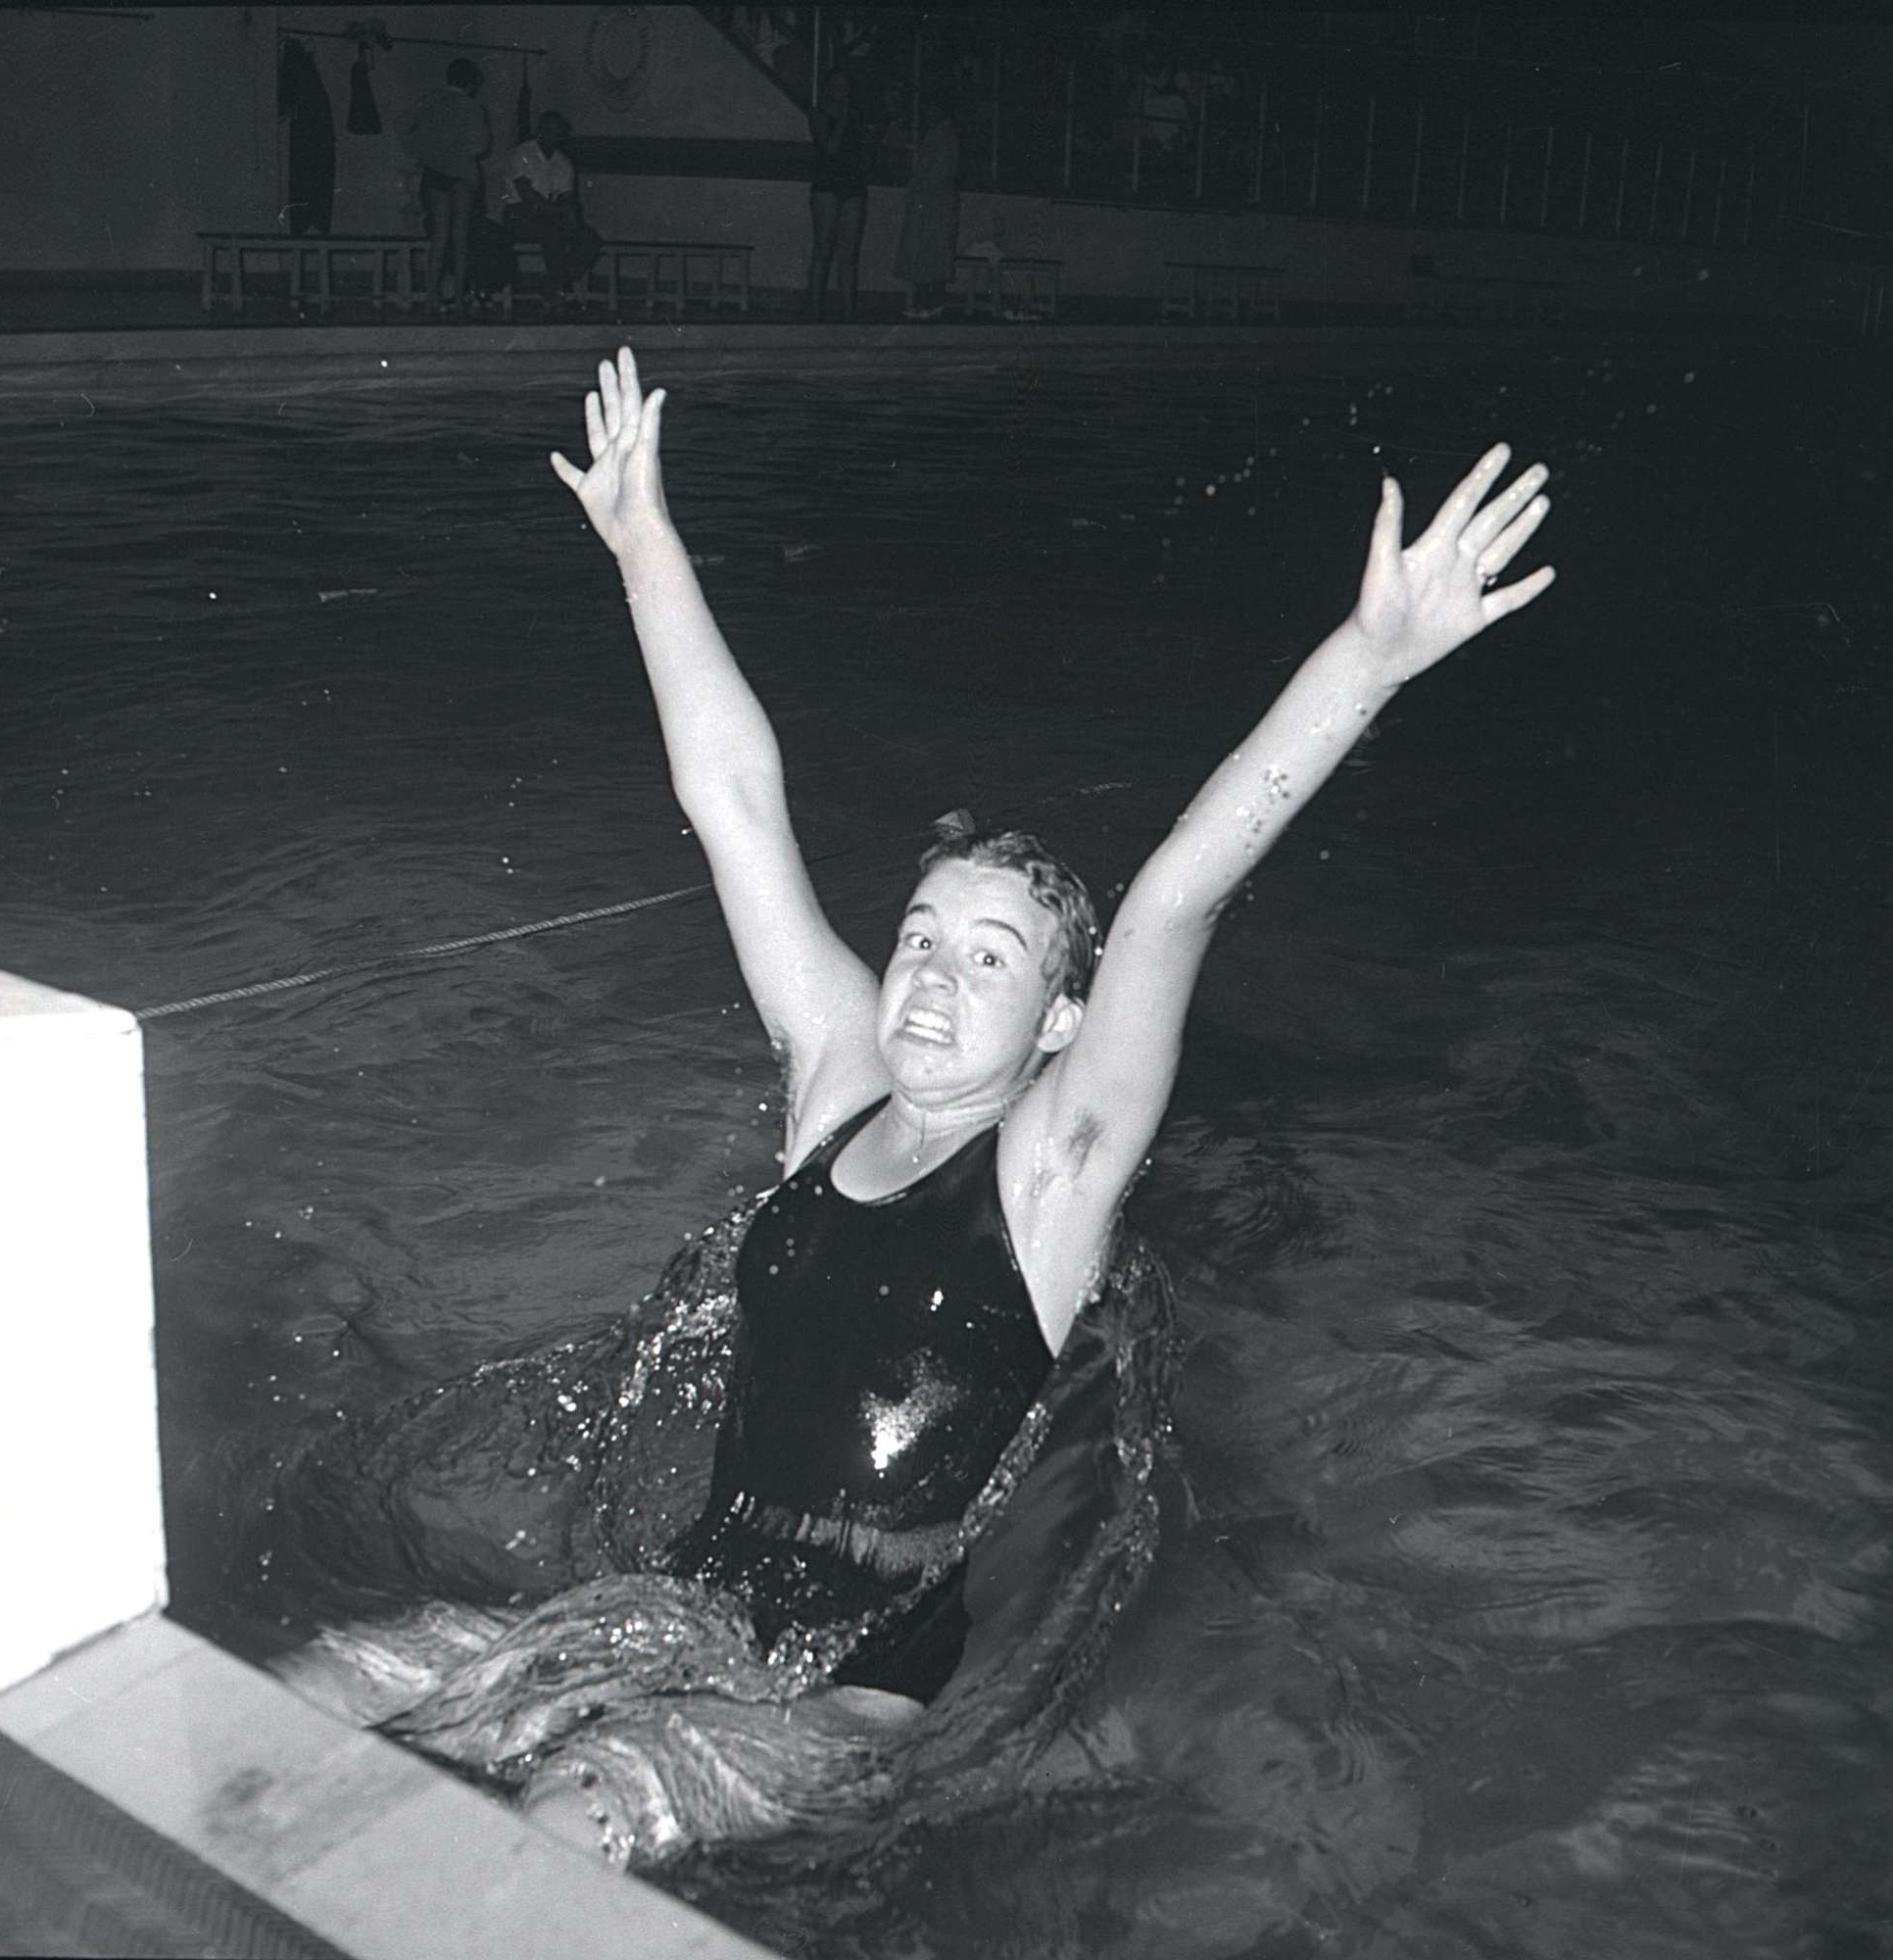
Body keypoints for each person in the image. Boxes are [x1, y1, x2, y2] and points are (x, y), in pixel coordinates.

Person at [270, 348, 1554, 1858]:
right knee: (323, 1683)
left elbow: (1177, 900)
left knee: (580, 1805)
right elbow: (734, 804)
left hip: (851, 1692)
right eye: (923, 936)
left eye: (991, 957)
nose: (935, 975)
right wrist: (643, 543)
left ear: (1060, 1021)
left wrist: (1368, 659)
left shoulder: (1054, 1169)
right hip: (677, 1613)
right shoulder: (834, 1079)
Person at [397, 58, 491, 312]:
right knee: (461, 237)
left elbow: (401, 124)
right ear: (471, 83)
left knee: (439, 236)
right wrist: (459, 150)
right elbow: (481, 146)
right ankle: (459, 298)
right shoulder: (473, 107)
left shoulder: (431, 100)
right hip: (462, 173)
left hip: (436, 172)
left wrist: (421, 150)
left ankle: (431, 296)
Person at [500, 110, 602, 305]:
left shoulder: (563, 163)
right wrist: (558, 211)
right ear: (539, 130)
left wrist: (571, 215)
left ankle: (554, 282)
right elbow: (526, 194)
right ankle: (556, 289)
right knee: (552, 232)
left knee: (590, 238)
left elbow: (568, 196)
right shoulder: (521, 154)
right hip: (519, 213)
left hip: (551, 215)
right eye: (546, 129)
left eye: (556, 131)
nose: (550, 135)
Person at [807, 71, 877, 320]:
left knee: (849, 255)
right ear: (827, 88)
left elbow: (869, 148)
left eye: (846, 87)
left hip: (853, 186)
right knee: (823, 251)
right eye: (837, 86)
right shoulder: (818, 114)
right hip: (827, 186)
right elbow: (830, 147)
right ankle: (815, 311)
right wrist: (845, 118)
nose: (842, 91)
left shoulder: (856, 117)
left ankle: (849, 313)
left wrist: (859, 129)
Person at [895, 90, 959, 319]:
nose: (928, 114)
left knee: (930, 255)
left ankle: (928, 303)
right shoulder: (936, 135)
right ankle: (928, 303)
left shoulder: (945, 136)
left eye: (932, 109)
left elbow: (937, 175)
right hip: (931, 204)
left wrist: (918, 188)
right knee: (930, 256)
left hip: (935, 205)